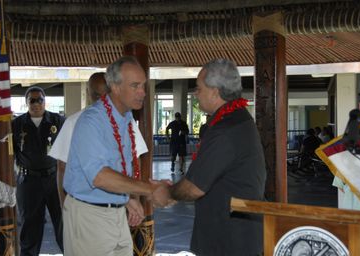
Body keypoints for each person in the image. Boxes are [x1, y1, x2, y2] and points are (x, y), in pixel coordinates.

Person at [153, 59, 267, 256]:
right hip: (238, 233)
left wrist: (167, 192)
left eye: (199, 88)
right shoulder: (239, 119)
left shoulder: (226, 129)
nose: (196, 94)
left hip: (229, 240)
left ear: (215, 91)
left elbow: (193, 188)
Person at [62, 56, 165, 256]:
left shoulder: (125, 118)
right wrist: (150, 189)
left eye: (143, 85)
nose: (143, 92)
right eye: (135, 86)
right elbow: (100, 176)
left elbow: (117, 167)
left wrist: (127, 200)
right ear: (115, 88)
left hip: (116, 213)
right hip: (89, 216)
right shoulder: (91, 122)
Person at [48, 73, 148, 225]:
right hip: (92, 210)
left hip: (114, 206)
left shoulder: (123, 120)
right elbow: (136, 162)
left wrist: (65, 208)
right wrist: (137, 197)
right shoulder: (122, 120)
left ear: (88, 93)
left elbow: (62, 168)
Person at [12, 86, 64, 255]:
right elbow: (11, 153)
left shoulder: (58, 121)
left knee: (63, 224)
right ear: (26, 103)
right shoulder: (17, 124)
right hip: (29, 182)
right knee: (30, 228)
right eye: (32, 100)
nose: (36, 104)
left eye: (39, 100)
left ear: (44, 101)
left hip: (54, 179)